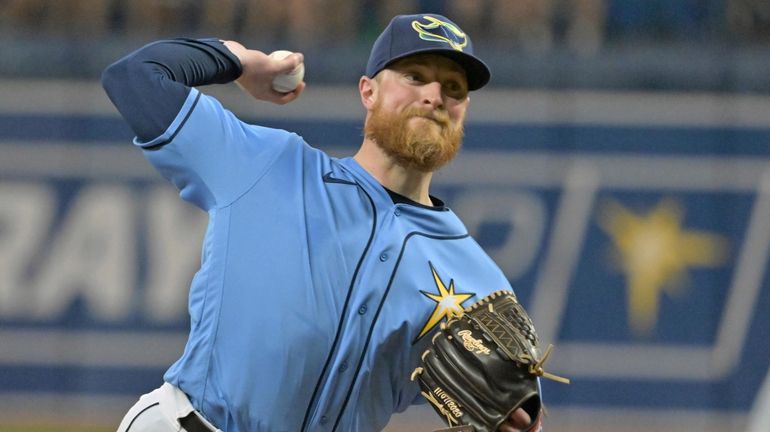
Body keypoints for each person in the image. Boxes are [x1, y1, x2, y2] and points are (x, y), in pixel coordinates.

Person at [102, 13, 542, 432]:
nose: (434, 95)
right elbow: (136, 77)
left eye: (454, 88)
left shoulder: (480, 282)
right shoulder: (269, 165)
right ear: (368, 91)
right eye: (414, 76)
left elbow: (512, 410)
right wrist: (241, 60)